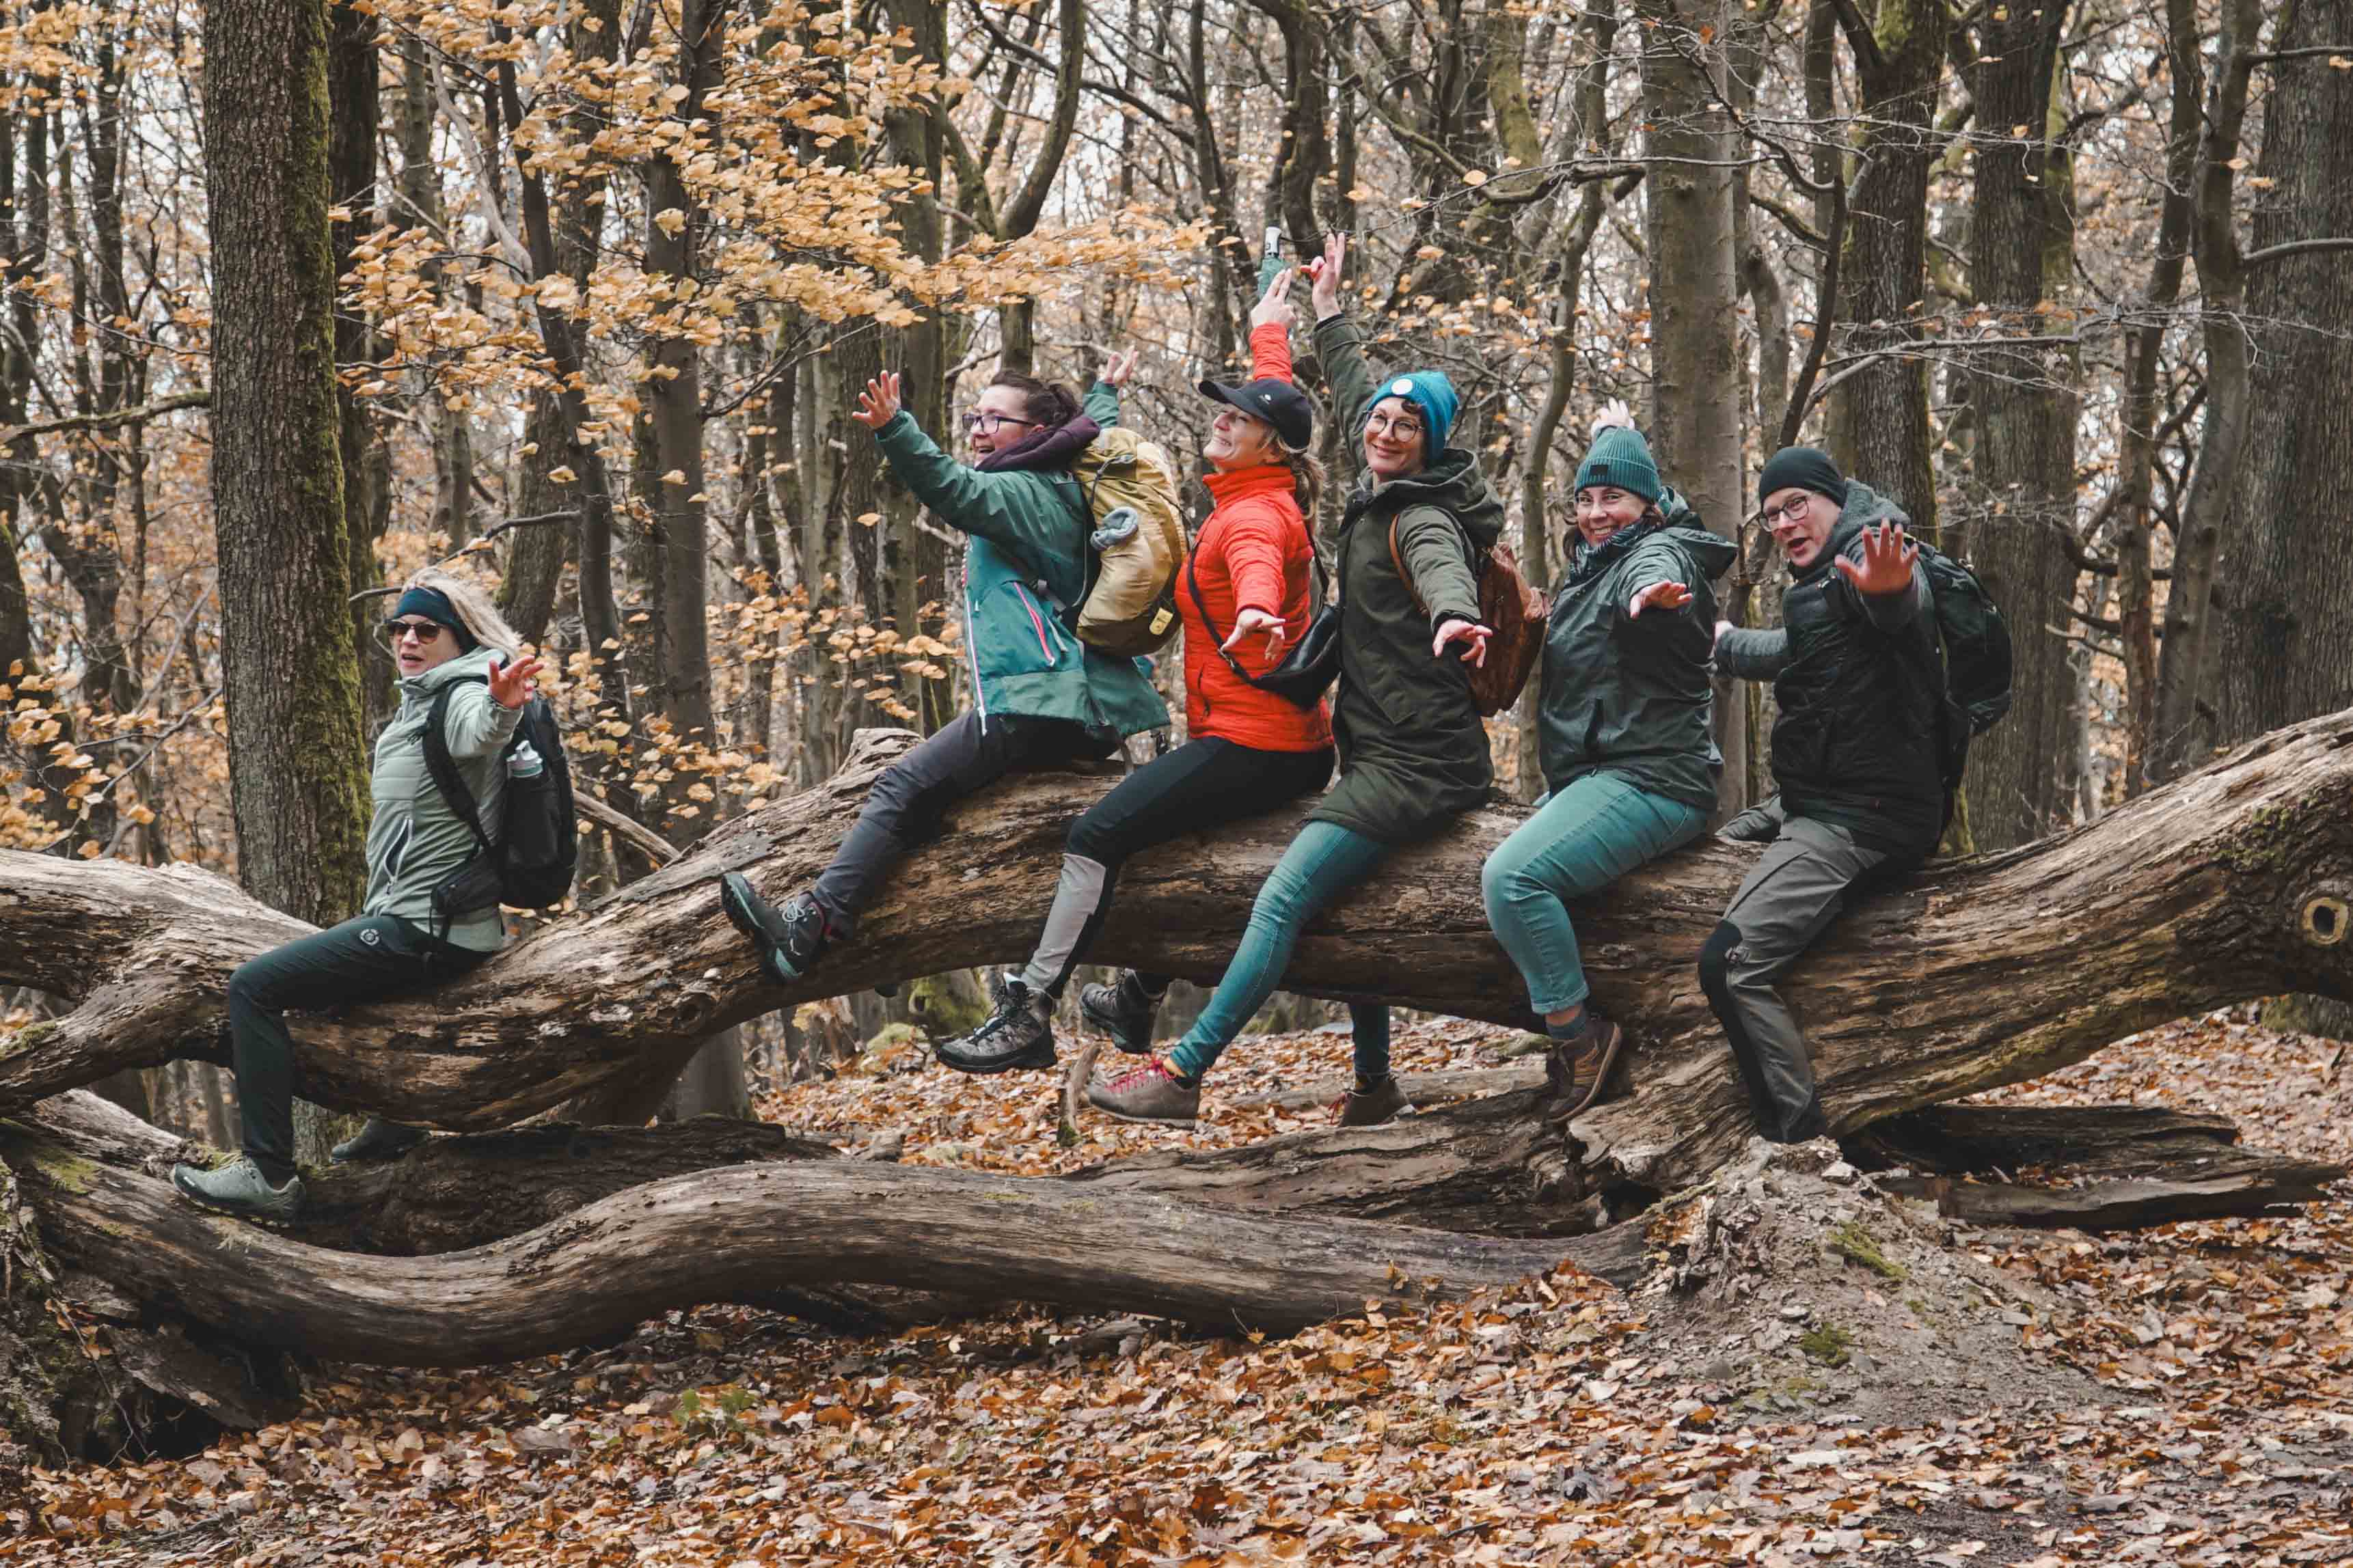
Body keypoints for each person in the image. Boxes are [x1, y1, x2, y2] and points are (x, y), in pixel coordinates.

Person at [1089, 232, 1500, 1127]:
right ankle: (1372, 1084)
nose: (1384, 431)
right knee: (1342, 911)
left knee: (1281, 898)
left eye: (1405, 426)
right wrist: (1311, 318)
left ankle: (1182, 1070)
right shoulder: (1381, 476)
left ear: (1429, 448)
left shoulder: (1421, 518)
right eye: (1379, 423)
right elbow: (1346, 393)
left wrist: (1453, 615)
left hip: (1415, 765)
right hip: (1377, 751)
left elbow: (1440, 571)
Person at [936, 272, 1340, 1075]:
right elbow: (1279, 399)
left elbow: (1256, 565)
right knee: (1182, 853)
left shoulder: (1254, 516)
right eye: (1224, 409)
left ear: (1271, 447)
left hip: (1259, 744)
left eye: (1239, 418)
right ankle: (1136, 999)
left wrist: (1258, 612)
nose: (1222, 421)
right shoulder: (1257, 487)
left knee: (1098, 834)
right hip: (1270, 739)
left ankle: (1030, 1008)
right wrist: (1270, 326)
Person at [716, 358, 1170, 989]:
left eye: (993, 419)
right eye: (972, 417)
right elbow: (1085, 429)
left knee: (900, 786)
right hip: (1071, 703)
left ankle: (808, 927)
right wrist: (1107, 392)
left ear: (1037, 430)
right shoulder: (1061, 479)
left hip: (1043, 699)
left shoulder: (1023, 491)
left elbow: (955, 490)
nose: (978, 430)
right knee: (934, 804)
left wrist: (896, 428)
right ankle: (874, 935)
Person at [170, 570, 545, 1220]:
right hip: (426, 920)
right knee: (353, 1005)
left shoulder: (462, 693)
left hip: (428, 927)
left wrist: (503, 705)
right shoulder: (421, 699)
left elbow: (476, 730)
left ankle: (268, 1173)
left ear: (459, 640)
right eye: (399, 627)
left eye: (427, 630)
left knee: (252, 987)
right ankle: (397, 1124)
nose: (408, 638)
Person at [1480, 404, 1733, 1118]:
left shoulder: (1656, 558)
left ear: (1647, 507)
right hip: (1601, 775)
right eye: (1585, 499)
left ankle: (1579, 1036)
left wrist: (1650, 602)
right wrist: (1609, 439)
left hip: (1656, 780)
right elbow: (1621, 525)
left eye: (1612, 499)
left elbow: (1648, 575)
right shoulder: (1597, 560)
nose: (1595, 513)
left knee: (1511, 879)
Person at [1702, 445, 1942, 1143]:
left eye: (1795, 505)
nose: (1782, 523)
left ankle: (1795, 1141)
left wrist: (1891, 591)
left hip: (1861, 817)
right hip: (1819, 795)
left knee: (1727, 965)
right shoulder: (1815, 589)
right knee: (1713, 846)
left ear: (1833, 499)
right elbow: (1791, 649)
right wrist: (1720, 641)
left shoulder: (1872, 564)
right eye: (1771, 513)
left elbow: (1898, 611)